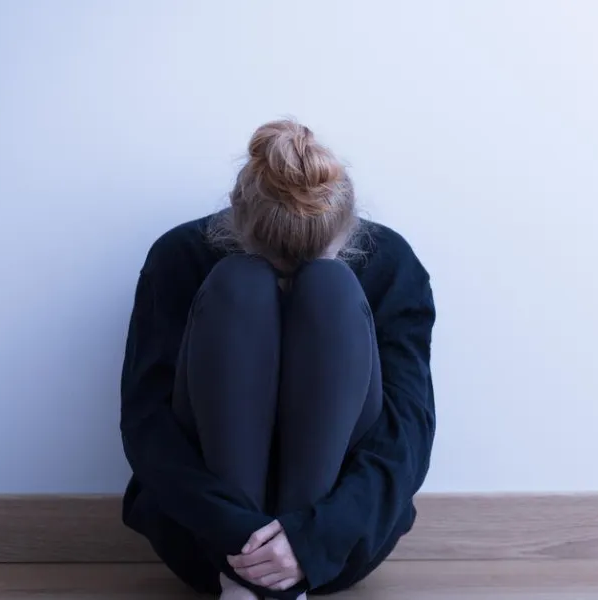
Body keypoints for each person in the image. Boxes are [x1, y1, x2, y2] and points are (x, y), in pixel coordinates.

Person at [119, 119, 436, 600]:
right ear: (234, 224)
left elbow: (408, 429)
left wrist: (309, 541)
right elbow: (147, 421)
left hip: (335, 548)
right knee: (239, 286)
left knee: (330, 292)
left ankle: (277, 579)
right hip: (206, 545)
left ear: (348, 231)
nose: (287, 285)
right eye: (275, 265)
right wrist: (237, 539)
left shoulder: (388, 262)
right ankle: (247, 585)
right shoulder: (180, 256)